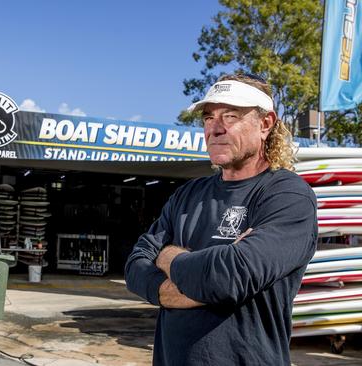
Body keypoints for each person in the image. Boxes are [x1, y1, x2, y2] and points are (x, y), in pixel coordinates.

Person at [125, 73, 317, 365]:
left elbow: (228, 277)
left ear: (265, 124)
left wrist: (166, 257)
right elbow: (135, 266)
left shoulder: (288, 196)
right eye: (209, 117)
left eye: (230, 116)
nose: (215, 129)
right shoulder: (187, 195)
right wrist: (180, 287)